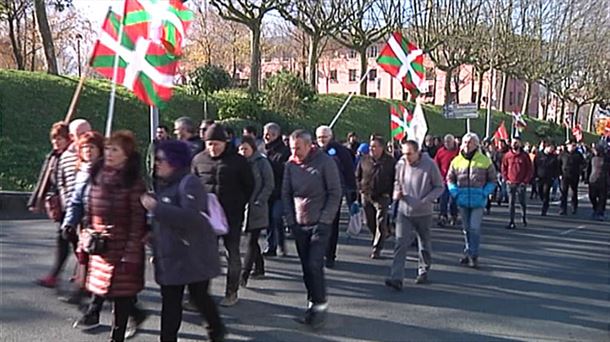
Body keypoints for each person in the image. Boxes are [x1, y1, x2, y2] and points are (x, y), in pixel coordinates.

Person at [141, 140, 225, 342]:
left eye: (161, 159)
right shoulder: (164, 185)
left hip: (193, 255)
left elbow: (191, 218)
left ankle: (216, 329)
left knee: (199, 297)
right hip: (172, 257)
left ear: (174, 161)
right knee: (171, 303)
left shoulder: (189, 182)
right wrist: (151, 234)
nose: (156, 164)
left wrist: (156, 208)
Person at [78, 130, 147, 342]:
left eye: (114, 149)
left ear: (126, 154)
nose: (108, 153)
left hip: (123, 247)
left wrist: (131, 253)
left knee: (122, 296)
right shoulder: (97, 176)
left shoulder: (133, 183)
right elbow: (89, 210)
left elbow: (138, 222)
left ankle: (117, 336)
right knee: (106, 291)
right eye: (107, 148)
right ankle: (137, 315)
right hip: (101, 247)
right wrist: (86, 235)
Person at [282, 129, 341, 328]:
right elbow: (286, 194)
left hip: (320, 222)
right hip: (300, 223)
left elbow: (335, 193)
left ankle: (320, 305)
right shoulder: (290, 165)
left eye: (298, 148)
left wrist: (325, 220)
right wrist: (291, 221)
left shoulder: (325, 162)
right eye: (292, 148)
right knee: (306, 266)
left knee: (315, 264)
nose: (295, 152)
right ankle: (312, 303)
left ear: (309, 145)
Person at [192, 124, 254, 307]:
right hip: (205, 217)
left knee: (232, 254)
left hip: (231, 216)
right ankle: (198, 296)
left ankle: (231, 292)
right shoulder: (198, 160)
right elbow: (192, 183)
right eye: (210, 144)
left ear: (225, 143)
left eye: (217, 144)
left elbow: (249, 186)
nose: (213, 148)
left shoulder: (238, 161)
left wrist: (238, 204)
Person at [35, 119, 91, 288]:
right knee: (68, 239)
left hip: (90, 210)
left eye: (83, 134)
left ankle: (85, 278)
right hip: (70, 209)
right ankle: (76, 276)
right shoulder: (65, 156)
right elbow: (61, 182)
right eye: (76, 135)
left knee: (85, 245)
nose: (80, 138)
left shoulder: (92, 152)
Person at [385, 139, 444, 290]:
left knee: (423, 242)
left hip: (423, 212)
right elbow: (397, 181)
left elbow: (439, 186)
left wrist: (426, 200)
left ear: (418, 152)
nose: (407, 157)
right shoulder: (401, 163)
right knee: (400, 243)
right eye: (404, 154)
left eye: (409, 154)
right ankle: (396, 277)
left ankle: (423, 270)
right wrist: (396, 193)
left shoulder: (429, 165)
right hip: (404, 210)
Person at [59, 131, 105, 306]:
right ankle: (82, 291)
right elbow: (76, 201)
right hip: (86, 221)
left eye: (92, 147)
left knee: (99, 262)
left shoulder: (106, 170)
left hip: (102, 222)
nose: (88, 151)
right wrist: (69, 222)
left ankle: (130, 308)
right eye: (84, 147)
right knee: (84, 254)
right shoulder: (82, 170)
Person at [447, 133, 497, 269]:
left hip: (478, 201)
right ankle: (468, 251)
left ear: (476, 144)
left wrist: (484, 193)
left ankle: (474, 255)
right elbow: (450, 178)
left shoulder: (484, 160)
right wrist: (455, 192)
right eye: (464, 142)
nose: (466, 145)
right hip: (462, 200)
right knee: (466, 229)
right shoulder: (456, 161)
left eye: (469, 142)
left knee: (474, 228)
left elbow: (493, 179)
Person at [315, 125, 357, 268]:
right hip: (316, 193)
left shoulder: (341, 151)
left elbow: (349, 171)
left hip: (334, 193)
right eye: (319, 137)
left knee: (331, 225)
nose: (322, 140)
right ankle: (319, 253)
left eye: (324, 137)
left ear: (330, 137)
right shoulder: (313, 151)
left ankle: (330, 255)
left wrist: (351, 193)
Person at [238, 136, 274, 286]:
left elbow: (269, 183)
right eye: (240, 149)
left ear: (252, 148)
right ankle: (259, 267)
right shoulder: (238, 163)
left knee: (251, 241)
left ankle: (243, 275)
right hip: (242, 207)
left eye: (245, 149)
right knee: (251, 240)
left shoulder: (261, 162)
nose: (243, 152)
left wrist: (260, 200)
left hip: (257, 207)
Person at [356, 136, 395, 259]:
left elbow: (395, 179)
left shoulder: (390, 161)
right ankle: (377, 235)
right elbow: (357, 175)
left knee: (381, 221)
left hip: (382, 196)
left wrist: (390, 194)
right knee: (369, 221)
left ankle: (377, 248)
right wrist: (360, 190)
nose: (371, 148)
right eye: (370, 146)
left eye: (374, 146)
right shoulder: (364, 160)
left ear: (381, 148)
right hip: (366, 194)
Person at [261, 122, 291, 257]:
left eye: (271, 134)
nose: (267, 137)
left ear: (277, 135)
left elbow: (286, 170)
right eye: (265, 134)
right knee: (268, 219)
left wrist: (270, 166)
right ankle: (271, 246)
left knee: (276, 216)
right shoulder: (261, 149)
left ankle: (280, 243)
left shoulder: (284, 151)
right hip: (266, 191)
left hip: (280, 191)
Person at [501, 138, 533, 229]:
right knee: (511, 203)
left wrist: (525, 181)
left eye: (516, 142)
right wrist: (506, 179)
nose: (514, 144)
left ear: (520, 144)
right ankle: (511, 221)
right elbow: (504, 168)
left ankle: (523, 218)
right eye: (513, 142)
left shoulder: (524, 156)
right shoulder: (507, 155)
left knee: (522, 202)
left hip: (521, 183)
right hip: (511, 183)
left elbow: (529, 169)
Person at [433, 134, 459, 226]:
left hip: (455, 180)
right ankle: (443, 216)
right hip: (443, 179)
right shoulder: (440, 152)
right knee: (443, 200)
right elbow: (436, 164)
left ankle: (453, 215)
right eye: (446, 142)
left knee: (453, 200)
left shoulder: (458, 151)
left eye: (449, 142)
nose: (447, 143)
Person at [558, 140, 585, 215]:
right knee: (563, 192)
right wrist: (559, 173)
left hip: (574, 175)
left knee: (574, 192)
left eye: (574, 145)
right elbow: (558, 164)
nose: (572, 147)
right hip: (564, 175)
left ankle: (574, 208)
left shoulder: (578, 154)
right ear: (567, 146)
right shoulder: (563, 154)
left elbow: (583, 164)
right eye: (571, 145)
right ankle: (563, 209)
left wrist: (580, 171)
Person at [534, 143, 560, 216]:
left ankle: (545, 208)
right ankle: (543, 200)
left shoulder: (554, 157)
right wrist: (534, 176)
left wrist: (554, 176)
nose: (551, 149)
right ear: (546, 147)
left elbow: (556, 167)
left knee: (546, 192)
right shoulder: (539, 155)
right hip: (540, 176)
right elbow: (535, 165)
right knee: (540, 191)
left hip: (549, 177)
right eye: (550, 148)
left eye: (552, 148)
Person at [587, 146, 609, 221]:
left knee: (602, 198)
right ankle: (595, 208)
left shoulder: (606, 158)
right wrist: (586, 178)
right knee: (592, 196)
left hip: (603, 180)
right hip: (593, 179)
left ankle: (600, 212)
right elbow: (588, 168)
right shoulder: (591, 158)